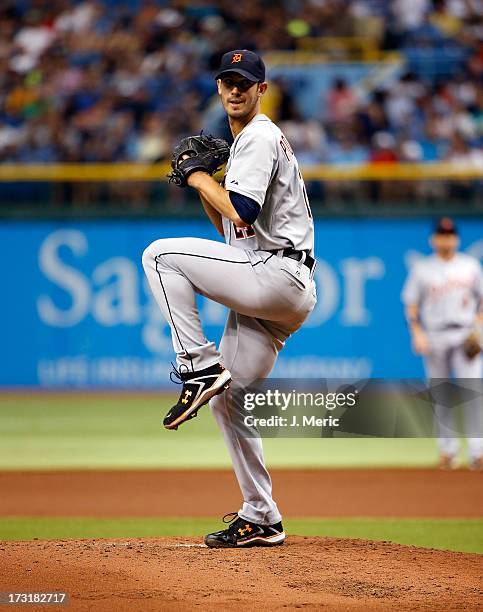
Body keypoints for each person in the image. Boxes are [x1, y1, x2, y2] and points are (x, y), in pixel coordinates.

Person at [142, 50, 317, 547]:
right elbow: (230, 230)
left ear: (262, 89)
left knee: (159, 256)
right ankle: (262, 516)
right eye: (228, 82)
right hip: (278, 286)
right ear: (219, 88)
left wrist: (196, 175)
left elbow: (241, 213)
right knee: (229, 400)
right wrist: (207, 184)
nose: (235, 90)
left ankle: (196, 364)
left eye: (246, 82)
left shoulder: (259, 135)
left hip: (276, 274)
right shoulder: (247, 144)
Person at [402, 218, 483, 469]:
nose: (446, 239)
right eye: (441, 234)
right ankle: (447, 452)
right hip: (435, 334)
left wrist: (479, 330)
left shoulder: (470, 266)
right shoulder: (422, 269)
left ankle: (477, 453)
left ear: (456, 239)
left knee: (473, 394)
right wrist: (417, 333)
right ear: (433, 239)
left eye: (450, 235)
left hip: (465, 334)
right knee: (441, 394)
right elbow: (411, 304)